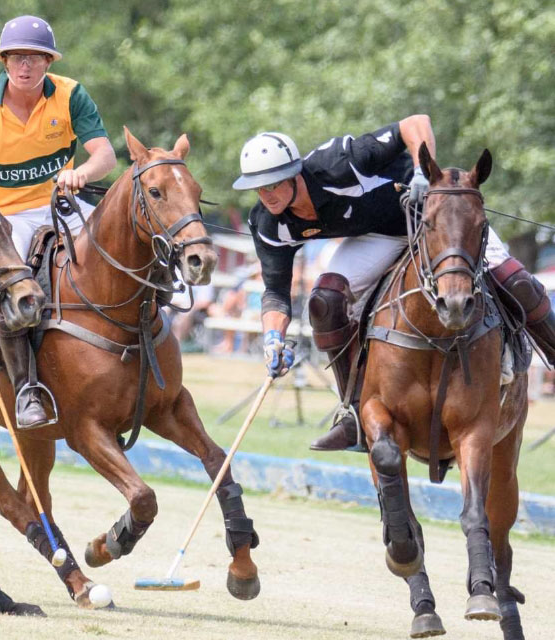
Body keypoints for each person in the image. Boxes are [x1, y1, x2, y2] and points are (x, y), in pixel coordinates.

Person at [232, 115, 555, 451]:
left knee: (515, 280)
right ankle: (353, 412)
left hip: (438, 220)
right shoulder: (268, 223)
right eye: (259, 187)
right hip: (380, 236)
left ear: (295, 173)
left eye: (274, 183)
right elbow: (275, 293)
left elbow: (415, 123)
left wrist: (419, 171)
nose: (266, 194)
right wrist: (273, 338)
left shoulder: (338, 165)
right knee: (324, 301)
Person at [0, 15, 116, 429]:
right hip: (3, 219)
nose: (24, 66)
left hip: (60, 204)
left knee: (112, 254)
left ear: (48, 61)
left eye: (33, 57)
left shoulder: (70, 95)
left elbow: (106, 155)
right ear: (4, 63)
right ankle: (27, 388)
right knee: (16, 289)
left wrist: (82, 172)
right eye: (15, 58)